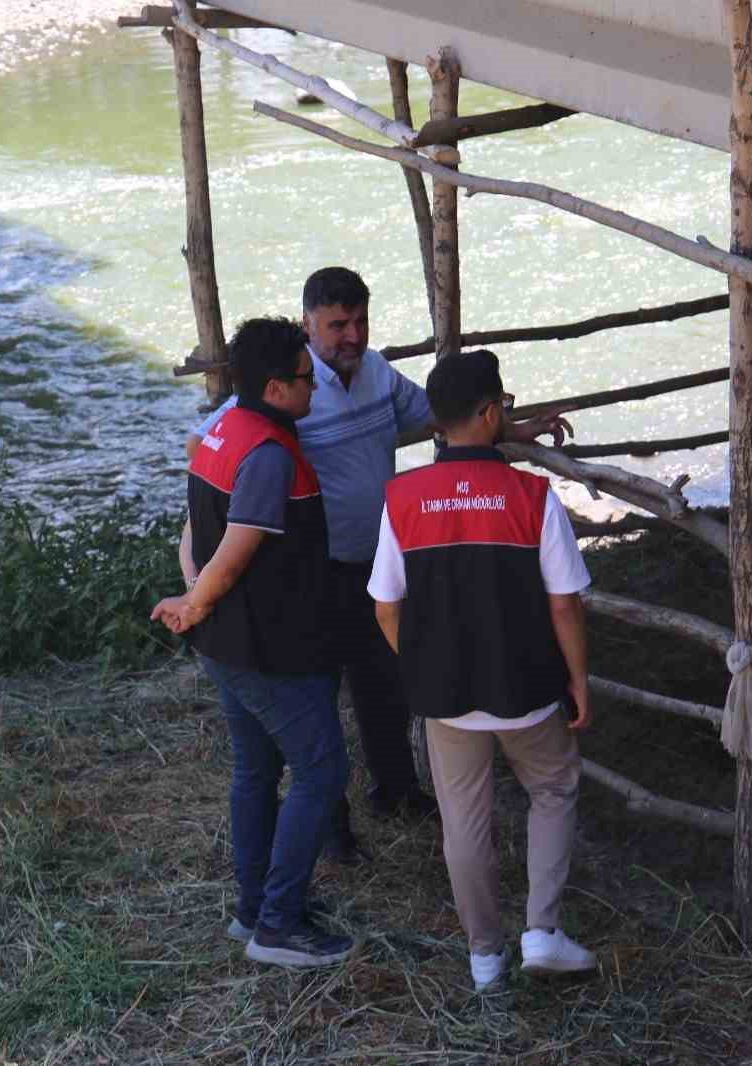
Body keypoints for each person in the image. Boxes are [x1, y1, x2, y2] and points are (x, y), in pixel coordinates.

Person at [185, 267, 572, 859]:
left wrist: (515, 427)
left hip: (379, 566)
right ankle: (334, 828)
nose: (352, 335)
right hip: (315, 571)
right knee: (319, 695)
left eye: (360, 320)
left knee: (386, 682)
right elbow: (208, 442)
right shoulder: (286, 390)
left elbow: (445, 419)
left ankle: (394, 789)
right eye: (337, 324)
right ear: (309, 322)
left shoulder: (378, 373)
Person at [367, 349, 598, 992]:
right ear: (492, 412)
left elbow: (386, 604)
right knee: (552, 789)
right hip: (525, 686)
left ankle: (485, 957)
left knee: (463, 821)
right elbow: (563, 604)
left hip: (445, 695)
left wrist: (417, 662)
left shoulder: (402, 498)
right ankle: (543, 930)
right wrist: (577, 680)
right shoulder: (531, 496)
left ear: (436, 423)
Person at [152, 316, 353, 968]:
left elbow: (194, 531)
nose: (314, 389)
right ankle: (279, 925)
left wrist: (193, 596)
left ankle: (252, 911)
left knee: (258, 770)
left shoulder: (219, 429)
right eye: (304, 379)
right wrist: (199, 600)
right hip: (269, 647)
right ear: (274, 389)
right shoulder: (267, 454)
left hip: (227, 641)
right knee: (322, 770)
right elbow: (235, 552)